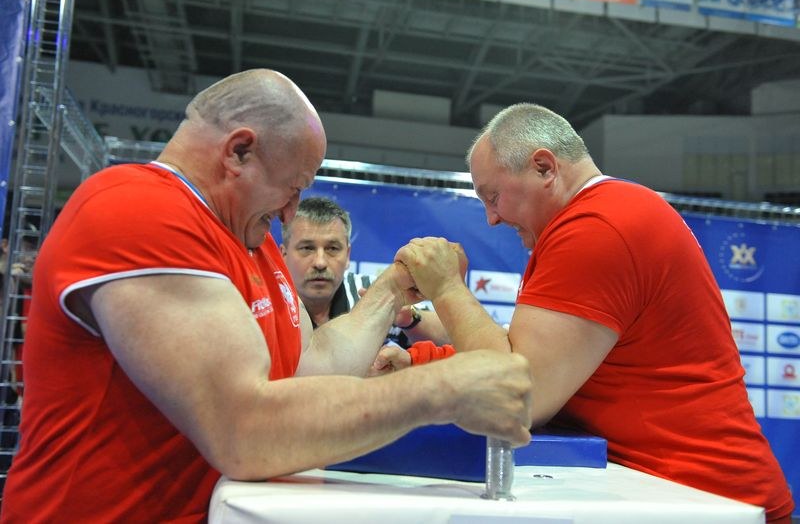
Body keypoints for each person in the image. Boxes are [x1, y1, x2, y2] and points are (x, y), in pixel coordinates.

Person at [0, 70, 533, 522]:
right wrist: (439, 389)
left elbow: (309, 367)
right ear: (239, 151)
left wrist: (391, 290)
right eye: (293, 187)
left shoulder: (248, 239)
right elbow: (242, 429)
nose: (289, 211)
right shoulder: (137, 211)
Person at [390, 103, 794, 523]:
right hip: (684, 494)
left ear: (545, 167)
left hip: (708, 500)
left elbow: (520, 397)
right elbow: (534, 357)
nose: (491, 218)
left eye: (493, 197)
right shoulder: (606, 213)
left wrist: (448, 288)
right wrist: (419, 359)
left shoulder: (597, 228)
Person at [280, 196, 450, 347]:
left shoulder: (369, 291)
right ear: (283, 255)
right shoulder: (265, 301)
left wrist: (409, 318)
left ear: (347, 255)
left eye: (332, 248)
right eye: (307, 248)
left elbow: (453, 338)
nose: (320, 262)